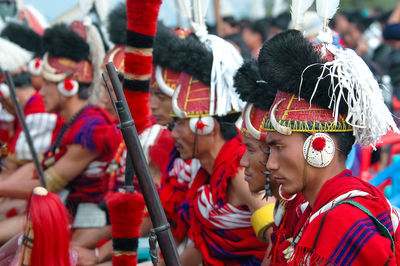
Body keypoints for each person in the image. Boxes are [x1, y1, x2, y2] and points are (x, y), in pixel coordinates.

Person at [258, 29, 400, 264]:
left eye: (279, 147)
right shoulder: (306, 207)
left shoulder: (346, 222)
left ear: (319, 146)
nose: (270, 164)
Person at [0, 21, 121, 245]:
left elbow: (47, 184)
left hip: (88, 227)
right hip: (65, 217)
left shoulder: (91, 128)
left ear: (68, 86)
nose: (40, 91)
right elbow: (34, 169)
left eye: (47, 84)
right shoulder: (72, 122)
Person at [166, 11, 269, 263]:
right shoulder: (206, 173)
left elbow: (276, 240)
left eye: (179, 124)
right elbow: (202, 246)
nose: (173, 133)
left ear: (204, 125)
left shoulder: (240, 173)